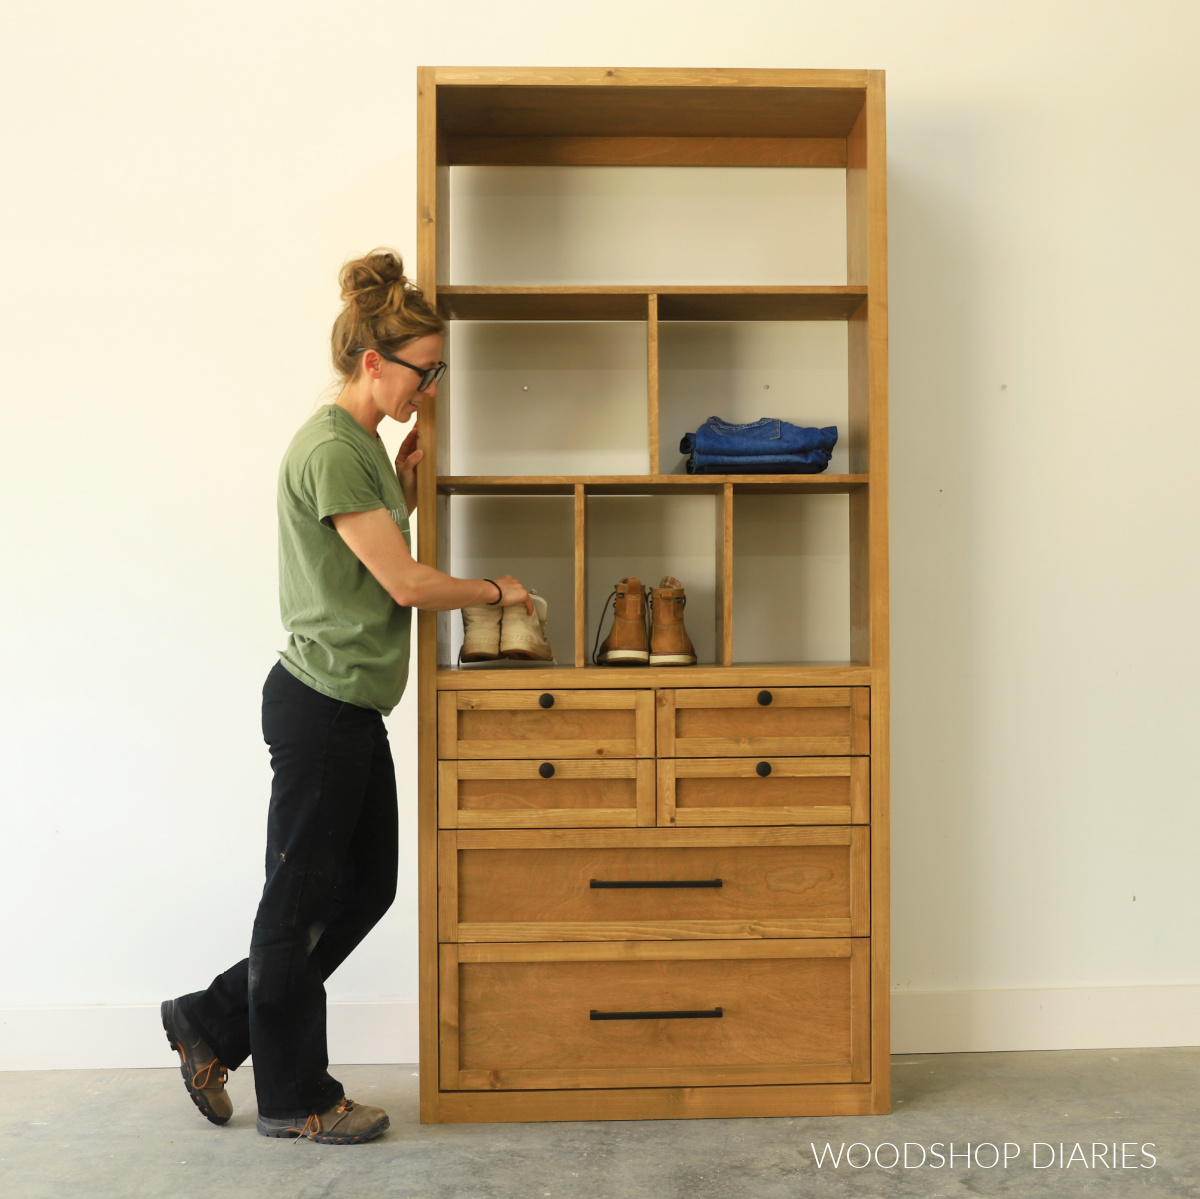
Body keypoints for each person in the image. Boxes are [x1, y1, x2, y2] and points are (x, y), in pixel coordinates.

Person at [160, 249, 530, 1145]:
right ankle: (297, 1099)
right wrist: (494, 590)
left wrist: (400, 482)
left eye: (438, 371)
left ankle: (211, 1018)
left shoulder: (359, 445)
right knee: (296, 906)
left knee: (364, 888)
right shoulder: (330, 446)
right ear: (375, 361)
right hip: (320, 704)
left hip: (348, 707)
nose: (430, 387)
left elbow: (364, 556)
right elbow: (400, 584)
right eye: (424, 370)